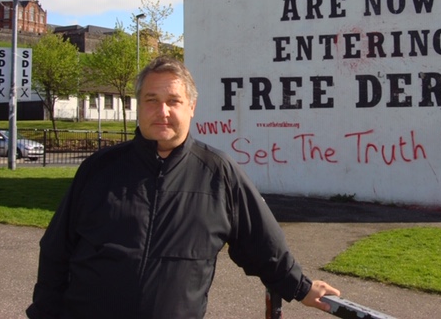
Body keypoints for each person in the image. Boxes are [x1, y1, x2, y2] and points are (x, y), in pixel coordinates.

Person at [27, 56, 340, 318]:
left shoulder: (218, 174)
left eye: (173, 101)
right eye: (152, 100)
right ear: (139, 105)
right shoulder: (98, 170)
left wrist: (300, 287)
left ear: (191, 106)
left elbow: (263, 244)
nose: (162, 111)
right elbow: (56, 253)